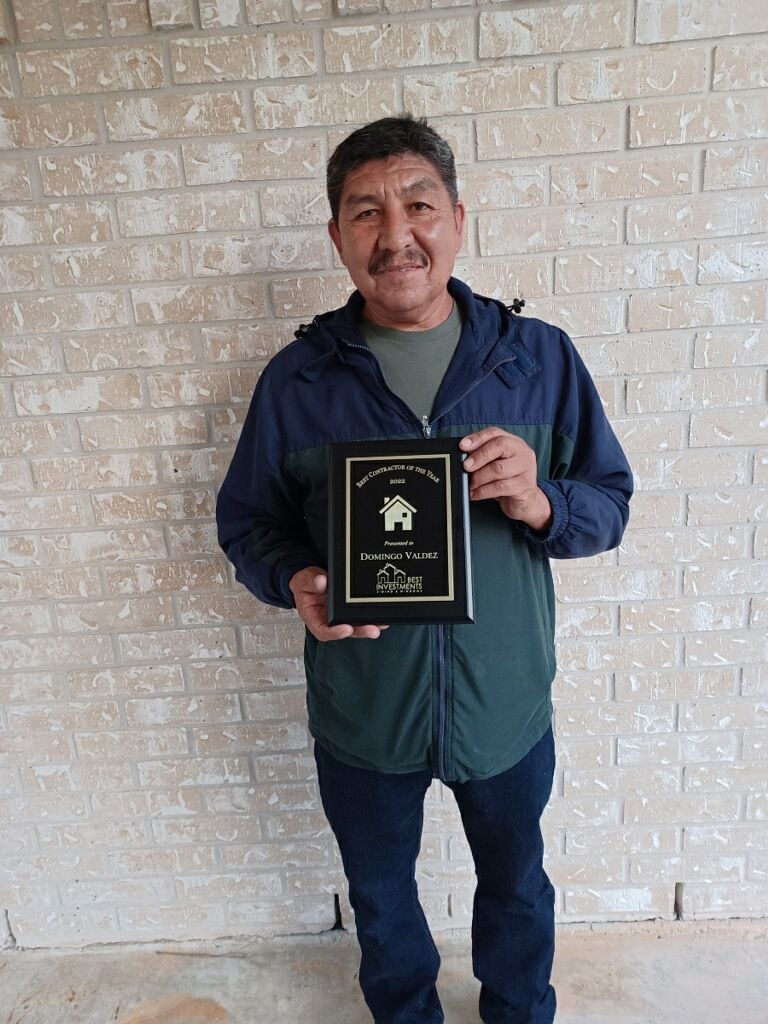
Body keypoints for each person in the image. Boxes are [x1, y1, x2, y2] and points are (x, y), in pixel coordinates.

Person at [216, 114, 633, 1024]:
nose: (395, 235)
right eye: (366, 213)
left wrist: (545, 502)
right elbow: (249, 523)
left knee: (517, 884)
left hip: (507, 704)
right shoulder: (298, 381)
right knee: (380, 896)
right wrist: (295, 581)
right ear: (336, 236)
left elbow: (610, 502)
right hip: (364, 705)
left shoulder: (540, 360)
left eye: (418, 205)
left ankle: (519, 1012)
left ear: (457, 217)